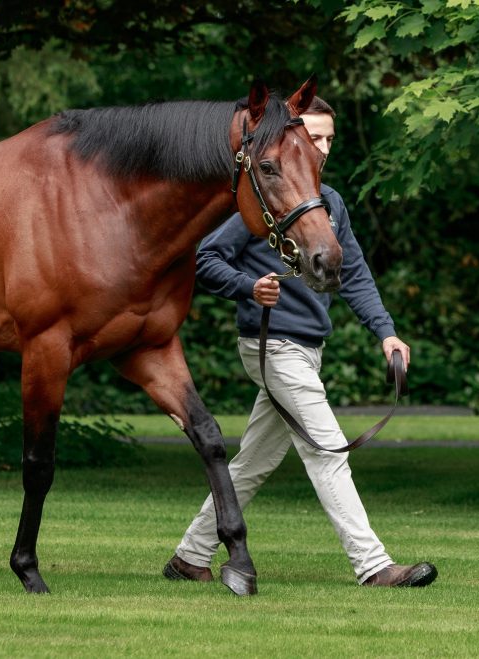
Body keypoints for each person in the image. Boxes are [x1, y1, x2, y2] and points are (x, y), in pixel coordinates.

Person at [165, 96, 438, 588]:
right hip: (271, 348)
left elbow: (352, 274)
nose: (324, 147)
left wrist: (387, 332)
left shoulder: (328, 202)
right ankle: (373, 566)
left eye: (330, 138)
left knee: (252, 464)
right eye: (315, 137)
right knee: (328, 450)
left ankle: (189, 556)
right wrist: (248, 287)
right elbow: (205, 258)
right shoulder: (262, 197)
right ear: (289, 137)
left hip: (308, 351)